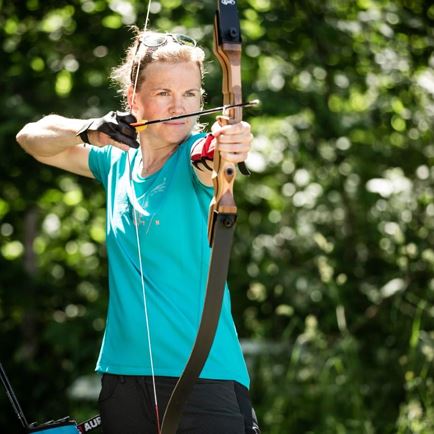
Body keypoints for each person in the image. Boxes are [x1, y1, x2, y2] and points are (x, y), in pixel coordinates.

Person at [16, 29, 260, 434]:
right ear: (133, 100)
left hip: (205, 379)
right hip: (123, 380)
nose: (180, 106)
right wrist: (89, 128)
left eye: (191, 94)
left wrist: (230, 143)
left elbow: (213, 155)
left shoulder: (196, 157)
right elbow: (32, 138)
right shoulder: (115, 164)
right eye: (164, 93)